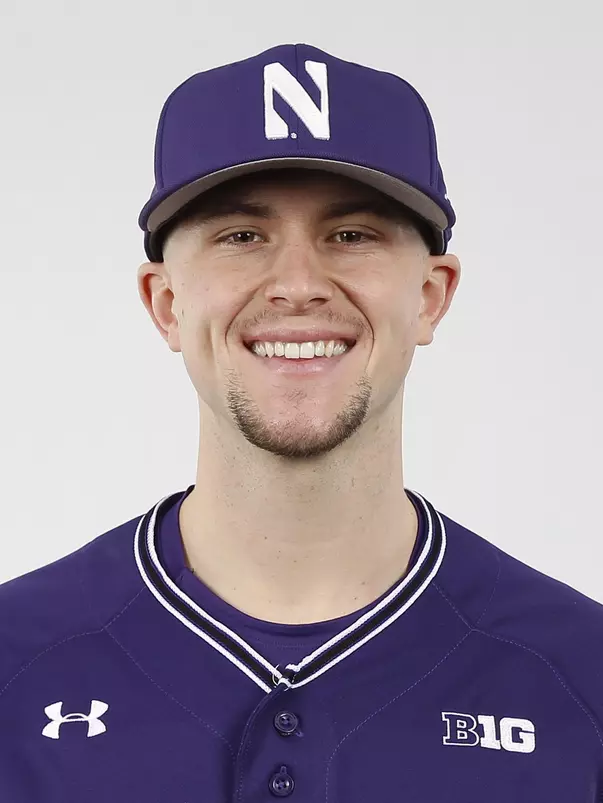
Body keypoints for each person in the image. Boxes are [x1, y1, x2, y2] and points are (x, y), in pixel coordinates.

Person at [1, 43, 602, 802]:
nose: (296, 285)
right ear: (166, 303)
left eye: (351, 235)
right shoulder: (16, 664)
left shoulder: (580, 675)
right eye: (241, 236)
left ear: (430, 296)